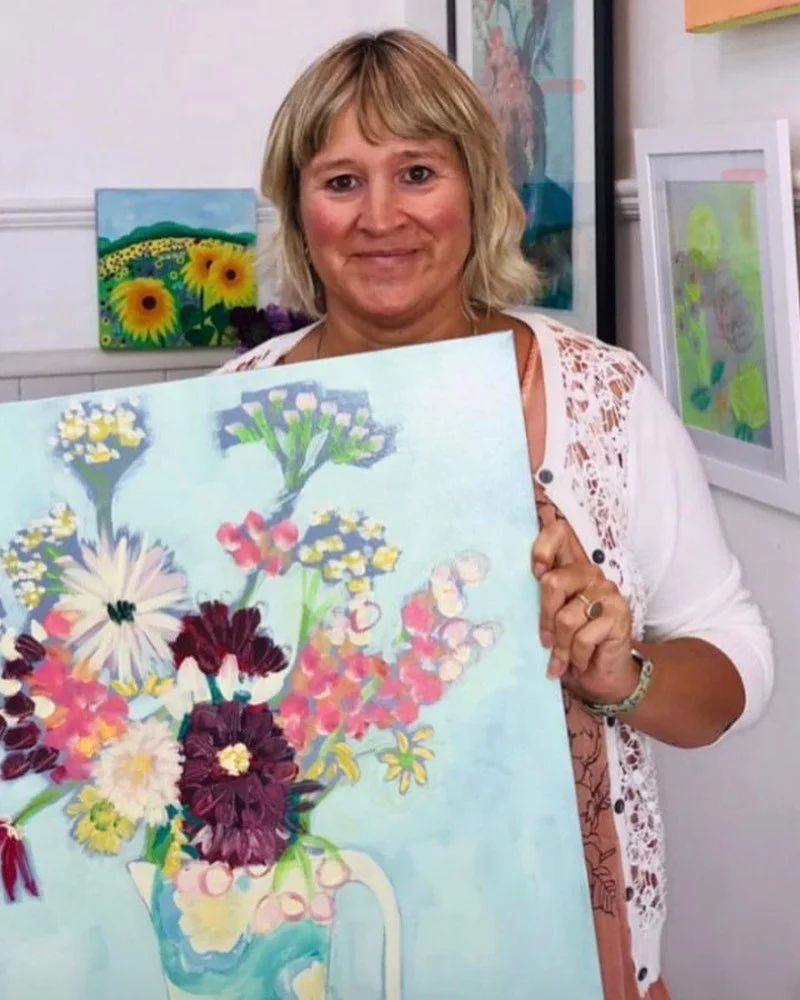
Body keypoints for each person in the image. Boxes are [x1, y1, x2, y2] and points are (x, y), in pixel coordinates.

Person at [218, 28, 774, 998]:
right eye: (340, 180)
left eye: (417, 171)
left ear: (477, 190)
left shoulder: (598, 396)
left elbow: (734, 661)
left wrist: (622, 671)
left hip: (555, 942)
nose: (380, 216)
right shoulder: (225, 422)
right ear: (296, 208)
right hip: (301, 944)